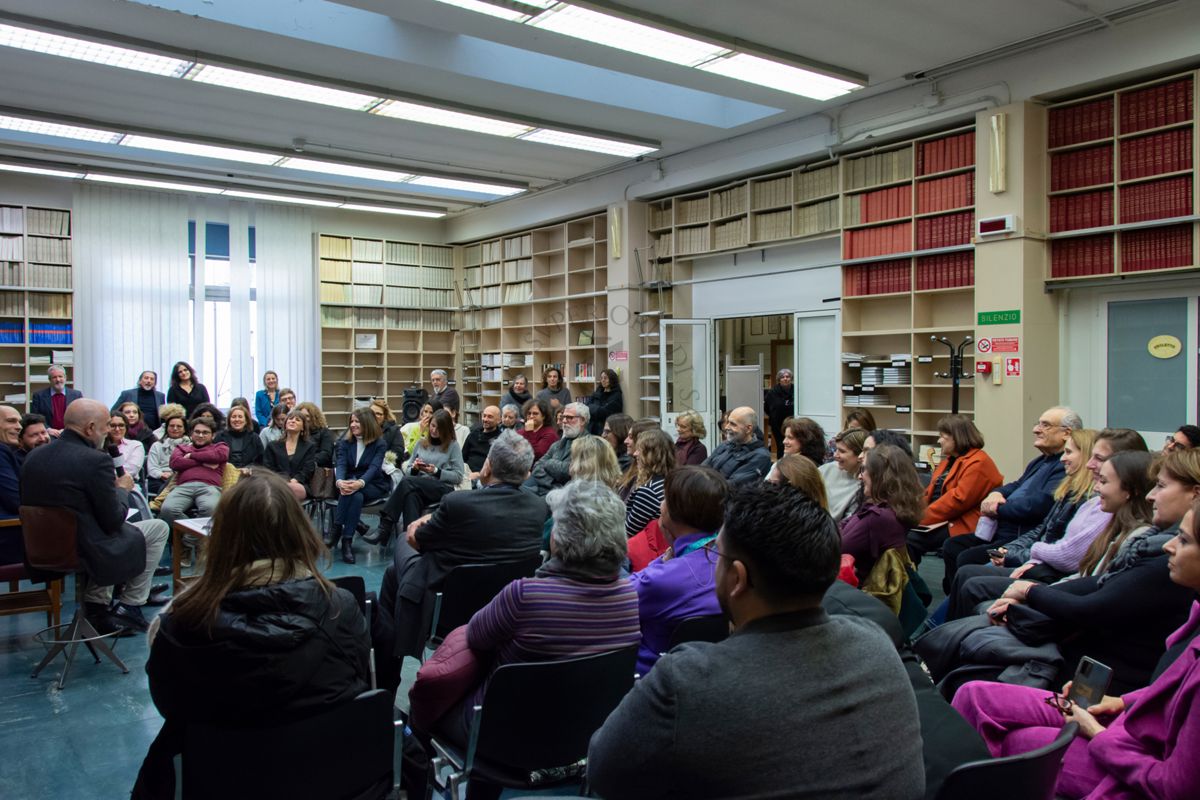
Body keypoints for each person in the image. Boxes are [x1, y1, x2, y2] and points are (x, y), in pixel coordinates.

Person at [587, 481, 925, 800]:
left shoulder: (686, 680)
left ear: (737, 577)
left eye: (715, 556)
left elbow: (603, 774)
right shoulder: (877, 644)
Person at [131, 470, 370, 800]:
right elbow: (358, 677)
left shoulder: (179, 622)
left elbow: (170, 706)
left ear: (221, 536)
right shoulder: (340, 606)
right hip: (327, 777)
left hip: (222, 780)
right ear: (300, 532)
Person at [951, 499, 1200, 800]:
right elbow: (1170, 690)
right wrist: (1122, 702)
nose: (1168, 546)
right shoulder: (1194, 611)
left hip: (1134, 754)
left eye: (1184, 540)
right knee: (975, 694)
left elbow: (1173, 786)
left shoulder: (1158, 575)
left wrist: (1098, 734)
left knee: (1021, 743)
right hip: (1128, 723)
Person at [969, 451, 1193, 692]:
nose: (1152, 495)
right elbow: (1097, 582)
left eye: (1160, 486)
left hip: (1100, 681)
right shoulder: (1146, 542)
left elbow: (1092, 600)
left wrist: (1031, 590)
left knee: (974, 685)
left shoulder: (1160, 557)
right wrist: (1030, 591)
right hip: (1089, 663)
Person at [375, 431, 549, 677]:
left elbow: (417, 541)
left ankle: (386, 680)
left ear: (487, 467)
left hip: (447, 611)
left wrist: (421, 522)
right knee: (396, 576)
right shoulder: (539, 507)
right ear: (526, 473)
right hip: (505, 606)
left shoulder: (458, 503)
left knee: (401, 550)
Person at [22, 399, 169, 636]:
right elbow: (114, 519)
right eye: (105, 428)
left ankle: (98, 603)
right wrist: (122, 488)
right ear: (90, 428)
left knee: (111, 531)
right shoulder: (95, 460)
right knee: (157, 528)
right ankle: (130, 605)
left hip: (41, 548)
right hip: (84, 548)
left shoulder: (33, 457)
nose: (107, 434)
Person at [938, 406, 1081, 585]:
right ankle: (953, 600)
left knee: (968, 559)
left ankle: (958, 602)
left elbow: (1038, 505)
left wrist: (997, 508)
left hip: (1015, 538)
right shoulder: (1040, 461)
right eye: (1038, 424)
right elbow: (1016, 485)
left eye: (1045, 425)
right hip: (1001, 532)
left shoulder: (1062, 467)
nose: (1036, 429)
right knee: (954, 546)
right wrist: (996, 493)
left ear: (1066, 433)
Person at [631, 466, 728, 675]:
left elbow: (617, 598)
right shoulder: (732, 560)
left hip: (654, 680)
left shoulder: (660, 579)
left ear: (674, 514)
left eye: (665, 499)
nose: (660, 504)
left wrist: (659, 563)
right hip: (715, 673)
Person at [909, 414, 1003, 556]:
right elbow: (929, 492)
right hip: (944, 518)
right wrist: (911, 512)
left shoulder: (979, 462)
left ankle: (910, 578)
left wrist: (920, 517)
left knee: (911, 539)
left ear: (956, 437)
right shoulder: (949, 460)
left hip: (964, 523)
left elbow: (957, 500)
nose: (939, 440)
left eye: (942, 436)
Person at [370, 409, 464, 548]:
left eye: (438, 428)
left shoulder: (452, 445)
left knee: (407, 483)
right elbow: (408, 472)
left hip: (441, 486)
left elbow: (458, 475)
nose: (434, 430)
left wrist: (436, 471)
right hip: (418, 485)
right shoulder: (421, 443)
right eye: (432, 425)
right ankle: (411, 542)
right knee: (410, 495)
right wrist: (414, 469)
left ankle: (385, 525)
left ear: (446, 429)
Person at [840, 444, 924, 581]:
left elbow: (837, 549)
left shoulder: (878, 517)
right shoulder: (896, 508)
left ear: (880, 475)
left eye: (864, 469)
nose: (860, 477)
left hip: (855, 587)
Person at [329, 408, 390, 563]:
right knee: (355, 496)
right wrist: (340, 481)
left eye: (357, 421)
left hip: (372, 483)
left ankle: (336, 531)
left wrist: (359, 483)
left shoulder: (379, 444)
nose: (353, 425)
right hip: (349, 482)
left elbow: (374, 468)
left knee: (353, 493)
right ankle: (347, 541)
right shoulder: (344, 443)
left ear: (367, 423)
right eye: (352, 421)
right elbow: (341, 465)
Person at [157, 418, 229, 527]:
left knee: (211, 509)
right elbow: (175, 463)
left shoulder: (220, 447)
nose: (200, 435)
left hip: (209, 487)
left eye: (205, 432)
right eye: (197, 432)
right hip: (182, 487)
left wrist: (191, 456)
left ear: (213, 435)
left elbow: (220, 456)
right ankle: (194, 536)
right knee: (167, 509)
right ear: (191, 433)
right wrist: (203, 462)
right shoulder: (182, 448)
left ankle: (189, 541)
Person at [523, 402, 590, 496]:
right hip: (547, 491)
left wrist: (549, 463)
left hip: (569, 497)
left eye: (569, 417)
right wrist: (554, 485)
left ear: (582, 420)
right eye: (563, 417)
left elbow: (568, 471)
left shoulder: (590, 445)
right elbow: (537, 467)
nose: (564, 421)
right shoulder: (557, 444)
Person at [622, 428, 676, 537]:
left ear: (652, 455)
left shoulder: (649, 492)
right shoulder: (669, 481)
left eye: (640, 450)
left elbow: (626, 533)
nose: (635, 454)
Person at [702, 406, 771, 484]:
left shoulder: (760, 456)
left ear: (748, 429)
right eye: (728, 422)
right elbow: (702, 468)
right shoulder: (725, 445)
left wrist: (703, 485)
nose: (727, 427)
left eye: (733, 424)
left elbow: (732, 485)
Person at [263, 409, 317, 503]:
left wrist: (295, 480)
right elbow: (269, 468)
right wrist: (283, 481)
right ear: (285, 424)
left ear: (303, 427)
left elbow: (308, 469)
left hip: (299, 484)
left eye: (297, 420)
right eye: (290, 419)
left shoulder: (309, 446)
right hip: (276, 482)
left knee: (291, 490)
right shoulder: (272, 446)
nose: (293, 421)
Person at [820, 428, 867, 521]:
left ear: (860, 455)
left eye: (842, 451)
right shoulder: (826, 469)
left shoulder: (865, 485)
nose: (835, 455)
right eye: (836, 449)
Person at [0, 405, 25, 562]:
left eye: (19, 422)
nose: (19, 427)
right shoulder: (1, 452)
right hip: (7, 535)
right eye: (11, 421)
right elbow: (16, 501)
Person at [146, 410, 190, 496]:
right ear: (166, 428)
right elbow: (152, 468)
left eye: (179, 426)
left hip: (183, 478)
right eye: (172, 426)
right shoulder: (157, 445)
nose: (175, 428)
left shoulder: (191, 445)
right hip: (160, 478)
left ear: (185, 429)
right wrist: (162, 474)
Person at [30, 364, 81, 435]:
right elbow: (34, 417)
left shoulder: (76, 395)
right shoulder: (38, 396)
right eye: (54, 377)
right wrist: (48, 429)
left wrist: (67, 430)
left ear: (65, 378)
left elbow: (80, 417)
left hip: (70, 434)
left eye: (60, 376)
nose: (58, 380)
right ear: (49, 380)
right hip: (47, 435)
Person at [215, 404, 264, 469]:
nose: (237, 419)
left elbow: (260, 460)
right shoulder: (220, 436)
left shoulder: (254, 438)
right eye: (234, 417)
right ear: (229, 420)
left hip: (249, 475)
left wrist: (249, 468)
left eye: (240, 417)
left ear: (246, 420)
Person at [461, 404, 501, 482]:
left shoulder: (501, 440)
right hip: (466, 475)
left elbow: (499, 468)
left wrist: (479, 475)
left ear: (499, 420)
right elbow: (462, 458)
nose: (485, 419)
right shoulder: (473, 434)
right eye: (484, 416)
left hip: (487, 478)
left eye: (490, 417)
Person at [105, 413, 145, 485]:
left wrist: (105, 473)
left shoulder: (135, 445)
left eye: (121, 425)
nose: (117, 429)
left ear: (126, 427)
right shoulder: (99, 446)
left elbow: (131, 470)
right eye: (113, 426)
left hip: (129, 486)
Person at [763, 368, 794, 459]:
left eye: (787, 377)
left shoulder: (796, 390)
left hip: (794, 424)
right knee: (781, 445)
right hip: (778, 425)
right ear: (779, 380)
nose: (785, 379)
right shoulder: (772, 392)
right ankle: (781, 464)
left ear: (791, 378)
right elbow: (767, 408)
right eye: (782, 377)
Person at [295, 401, 335, 468]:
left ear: (314, 417)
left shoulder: (325, 433)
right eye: (301, 416)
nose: (304, 419)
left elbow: (326, 454)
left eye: (307, 416)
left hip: (317, 470)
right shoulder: (295, 433)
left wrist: (306, 462)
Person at [584, 368, 624, 435]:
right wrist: (597, 409)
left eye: (605, 378)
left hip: (605, 429)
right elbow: (585, 406)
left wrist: (592, 408)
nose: (603, 380)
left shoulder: (616, 395)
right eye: (601, 378)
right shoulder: (598, 391)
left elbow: (604, 412)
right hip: (591, 427)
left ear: (611, 380)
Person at [518, 396, 558, 462]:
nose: (531, 416)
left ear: (543, 416)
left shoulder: (550, 434)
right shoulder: (520, 432)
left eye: (535, 414)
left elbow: (538, 455)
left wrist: (529, 432)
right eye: (529, 413)